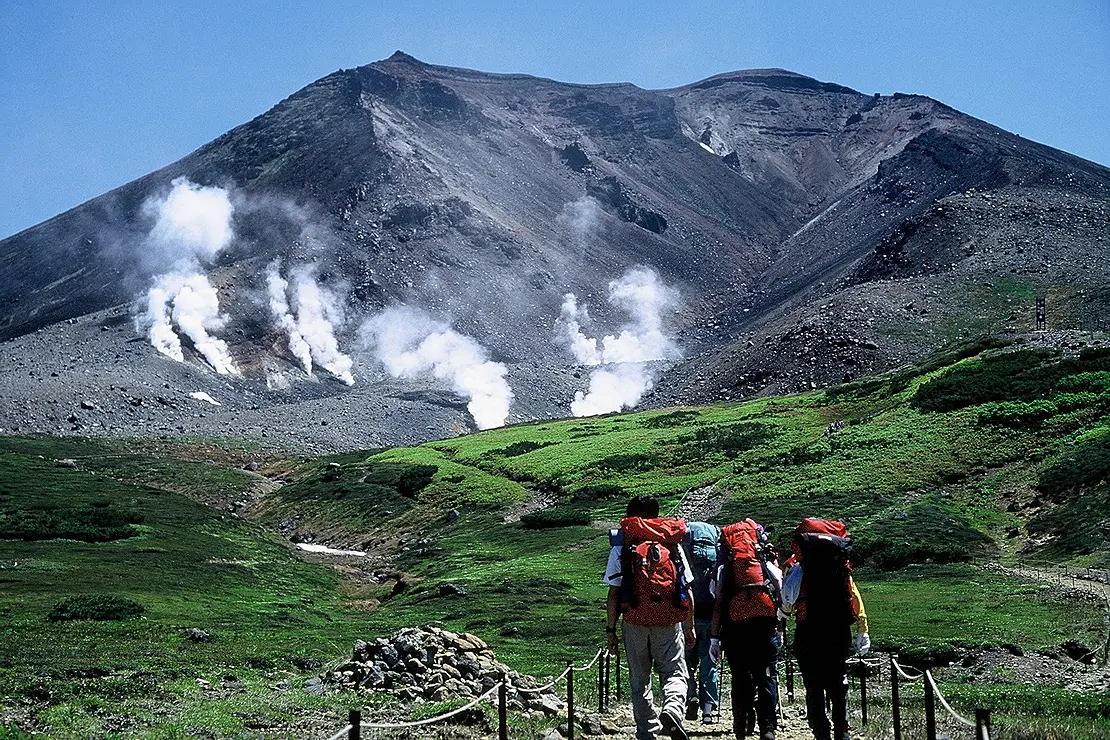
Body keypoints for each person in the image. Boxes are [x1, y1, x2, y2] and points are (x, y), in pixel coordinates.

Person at [605, 496, 696, 740]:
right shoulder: (672, 544)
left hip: (634, 620)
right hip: (668, 620)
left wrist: (610, 630)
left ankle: (647, 733)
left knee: (639, 679)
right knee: (675, 672)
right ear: (657, 515)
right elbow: (686, 588)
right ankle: (673, 710)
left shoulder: (622, 545)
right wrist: (689, 626)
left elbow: (614, 592)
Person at [781, 518, 869, 740]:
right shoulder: (841, 569)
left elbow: (789, 600)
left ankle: (821, 731)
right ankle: (842, 728)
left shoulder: (799, 570)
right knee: (838, 678)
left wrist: (783, 612)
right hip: (838, 630)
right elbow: (854, 597)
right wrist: (862, 628)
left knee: (813, 683)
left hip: (808, 630)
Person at [709, 518, 782, 740]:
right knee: (766, 675)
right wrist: (781, 623)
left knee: (740, 677)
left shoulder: (724, 568)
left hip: (735, 630)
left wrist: (714, 638)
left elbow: (718, 599)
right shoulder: (764, 563)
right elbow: (780, 591)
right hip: (765, 627)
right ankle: (768, 728)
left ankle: (741, 725)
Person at [682, 521, 721, 724]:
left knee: (686, 662)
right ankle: (708, 710)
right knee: (709, 662)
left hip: (687, 616)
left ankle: (691, 697)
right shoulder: (716, 540)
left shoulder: (684, 547)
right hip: (710, 615)